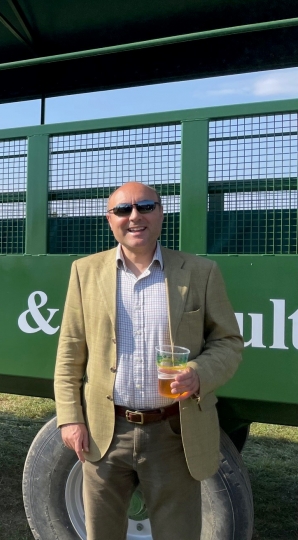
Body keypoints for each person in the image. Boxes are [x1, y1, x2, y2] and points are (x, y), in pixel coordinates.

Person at [53, 181, 243, 540]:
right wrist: (69, 419)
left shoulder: (200, 272)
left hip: (174, 432)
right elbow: (69, 352)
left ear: (161, 213)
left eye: (145, 206)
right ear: (110, 219)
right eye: (123, 210)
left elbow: (228, 341)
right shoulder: (85, 271)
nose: (134, 216)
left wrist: (199, 373)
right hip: (104, 432)